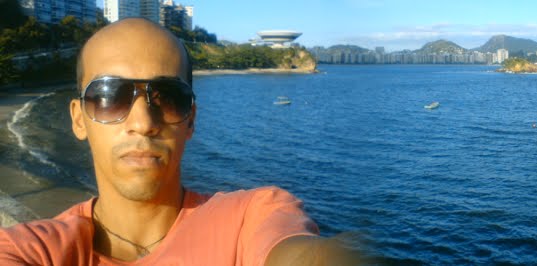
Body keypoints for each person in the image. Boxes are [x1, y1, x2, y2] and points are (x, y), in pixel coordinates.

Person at [0, 18, 355, 265]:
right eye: (110, 95)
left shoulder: (253, 216)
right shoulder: (29, 250)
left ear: (191, 120)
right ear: (79, 119)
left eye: (169, 96)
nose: (143, 122)